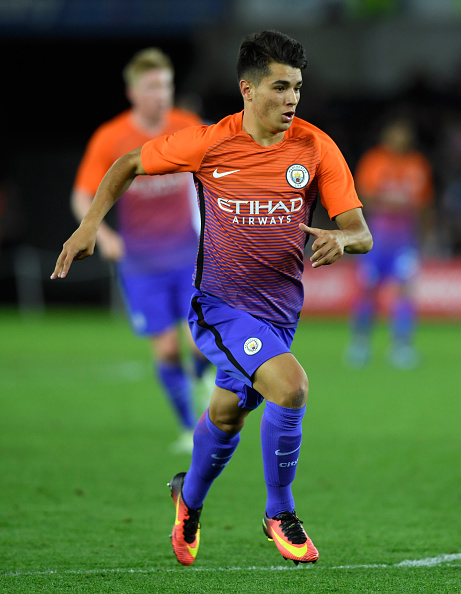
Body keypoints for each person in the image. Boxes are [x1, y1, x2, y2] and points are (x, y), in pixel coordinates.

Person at [51, 30, 372, 566]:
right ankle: (279, 512)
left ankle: (188, 501)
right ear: (247, 90)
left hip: (278, 315)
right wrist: (89, 227)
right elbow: (128, 162)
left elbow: (360, 231)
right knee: (290, 389)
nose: (292, 99)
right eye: (279, 87)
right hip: (219, 308)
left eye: (296, 87)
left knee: (227, 415)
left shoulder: (316, 148)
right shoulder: (210, 142)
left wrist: (343, 238)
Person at [71, 47, 213, 454]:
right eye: (152, 87)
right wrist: (100, 231)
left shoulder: (187, 127)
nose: (161, 94)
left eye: (166, 85)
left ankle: (204, 384)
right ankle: (189, 427)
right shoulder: (111, 137)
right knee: (167, 348)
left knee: (199, 340)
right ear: (133, 92)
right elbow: (83, 194)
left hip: (189, 254)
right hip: (141, 260)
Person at [344, 117, 434, 369]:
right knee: (367, 288)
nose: (399, 138)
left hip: (404, 239)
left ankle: (401, 346)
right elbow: (363, 197)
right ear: (387, 136)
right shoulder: (375, 160)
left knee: (404, 290)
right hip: (377, 237)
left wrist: (425, 236)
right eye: (396, 133)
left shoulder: (418, 164)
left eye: (403, 134)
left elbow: (425, 204)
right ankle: (360, 345)